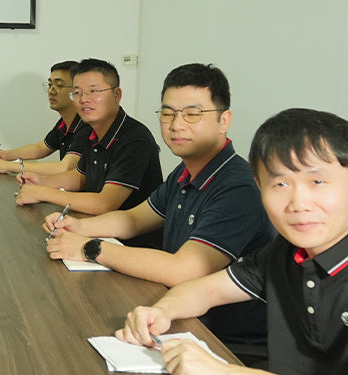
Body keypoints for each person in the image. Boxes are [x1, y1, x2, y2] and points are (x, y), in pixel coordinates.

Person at [116, 108, 348, 375]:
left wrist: (226, 374)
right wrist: (161, 310)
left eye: (317, 182)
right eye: (280, 184)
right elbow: (207, 290)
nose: (299, 202)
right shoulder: (285, 252)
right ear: (259, 187)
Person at [45, 64, 274, 357]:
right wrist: (77, 227)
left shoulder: (238, 186)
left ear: (223, 120)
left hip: (226, 344)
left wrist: (89, 248)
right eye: (168, 114)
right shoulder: (185, 171)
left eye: (192, 114)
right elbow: (134, 219)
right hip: (177, 317)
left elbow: (184, 270)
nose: (177, 125)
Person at [15, 58, 162, 216]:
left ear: (117, 95)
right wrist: (42, 181)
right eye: (77, 92)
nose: (84, 99)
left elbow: (105, 203)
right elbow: (79, 177)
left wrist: (44, 193)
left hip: (127, 231)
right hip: (95, 222)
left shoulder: (135, 139)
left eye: (93, 91)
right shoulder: (94, 131)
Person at [0, 60, 87, 176]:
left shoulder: (87, 124)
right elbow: (40, 148)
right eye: (50, 85)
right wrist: (6, 155)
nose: (51, 91)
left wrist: (7, 166)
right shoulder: (64, 123)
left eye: (59, 86)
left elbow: (64, 168)